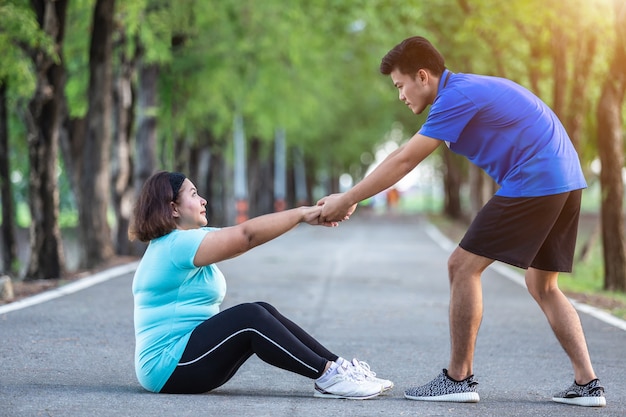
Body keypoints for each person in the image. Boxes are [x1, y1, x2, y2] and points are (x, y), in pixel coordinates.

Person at [318, 36, 605, 407]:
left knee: (461, 266)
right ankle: (588, 384)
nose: (400, 96)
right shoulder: (466, 90)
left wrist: (348, 197)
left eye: (400, 86)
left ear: (423, 76)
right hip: (567, 180)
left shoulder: (454, 97)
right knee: (543, 284)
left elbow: (405, 159)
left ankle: (458, 378)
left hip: (537, 178)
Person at [128, 171, 393, 400]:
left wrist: (305, 217)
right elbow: (246, 236)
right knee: (249, 317)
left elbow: (244, 236)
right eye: (194, 194)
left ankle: (339, 368)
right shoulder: (176, 245)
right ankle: (328, 376)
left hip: (188, 360)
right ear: (173, 208)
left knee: (260, 309)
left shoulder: (190, 240)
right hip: (168, 367)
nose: (203, 200)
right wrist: (302, 213)